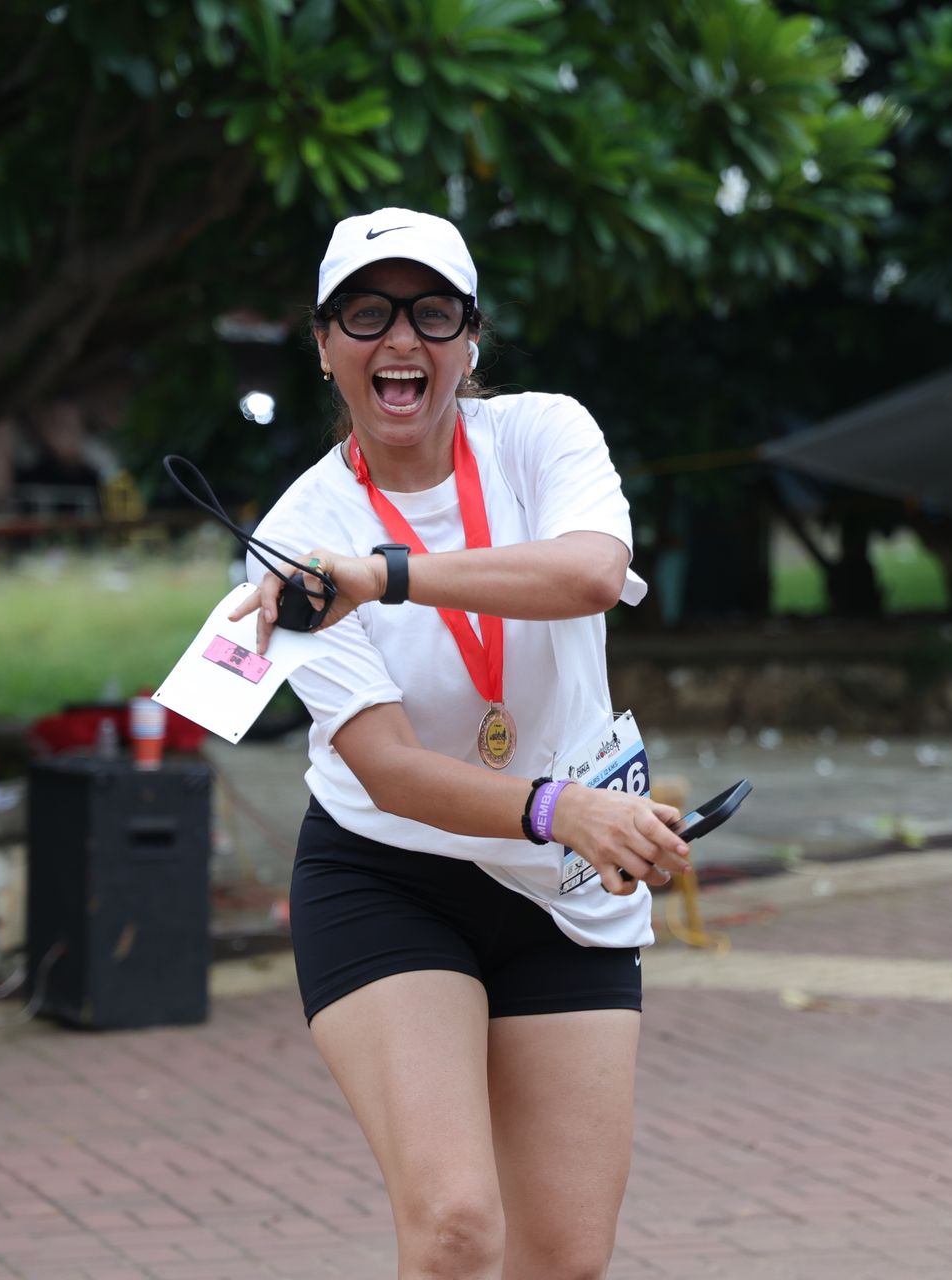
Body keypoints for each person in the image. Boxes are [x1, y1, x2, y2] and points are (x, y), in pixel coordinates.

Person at [231, 207, 691, 1280]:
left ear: (470, 340)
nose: (403, 338)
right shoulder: (298, 538)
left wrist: (385, 571)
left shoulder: (543, 434)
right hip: (389, 876)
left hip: (566, 885)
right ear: (324, 344)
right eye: (368, 312)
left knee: (564, 1257)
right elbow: (386, 768)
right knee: (453, 1227)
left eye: (433, 312)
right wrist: (555, 805)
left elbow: (586, 572)